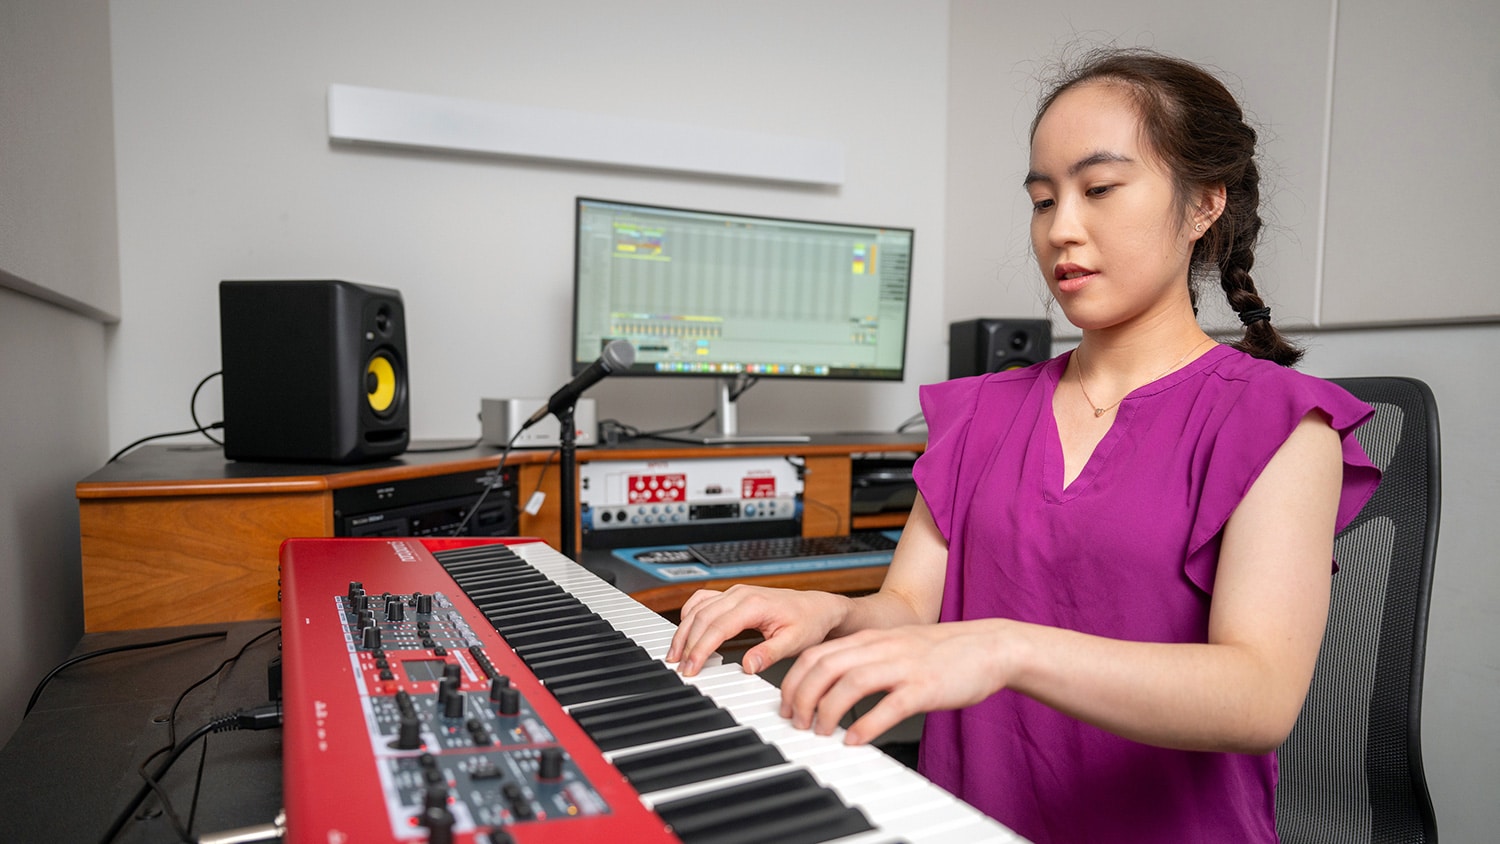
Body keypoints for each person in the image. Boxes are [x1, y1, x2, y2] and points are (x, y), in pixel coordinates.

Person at [666, 48, 1381, 843]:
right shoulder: (983, 414)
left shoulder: (1279, 424)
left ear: (1203, 204)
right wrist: (827, 611)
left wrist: (1007, 649)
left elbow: (1258, 696)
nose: (1062, 229)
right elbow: (907, 608)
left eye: (1100, 189)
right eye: (1044, 200)